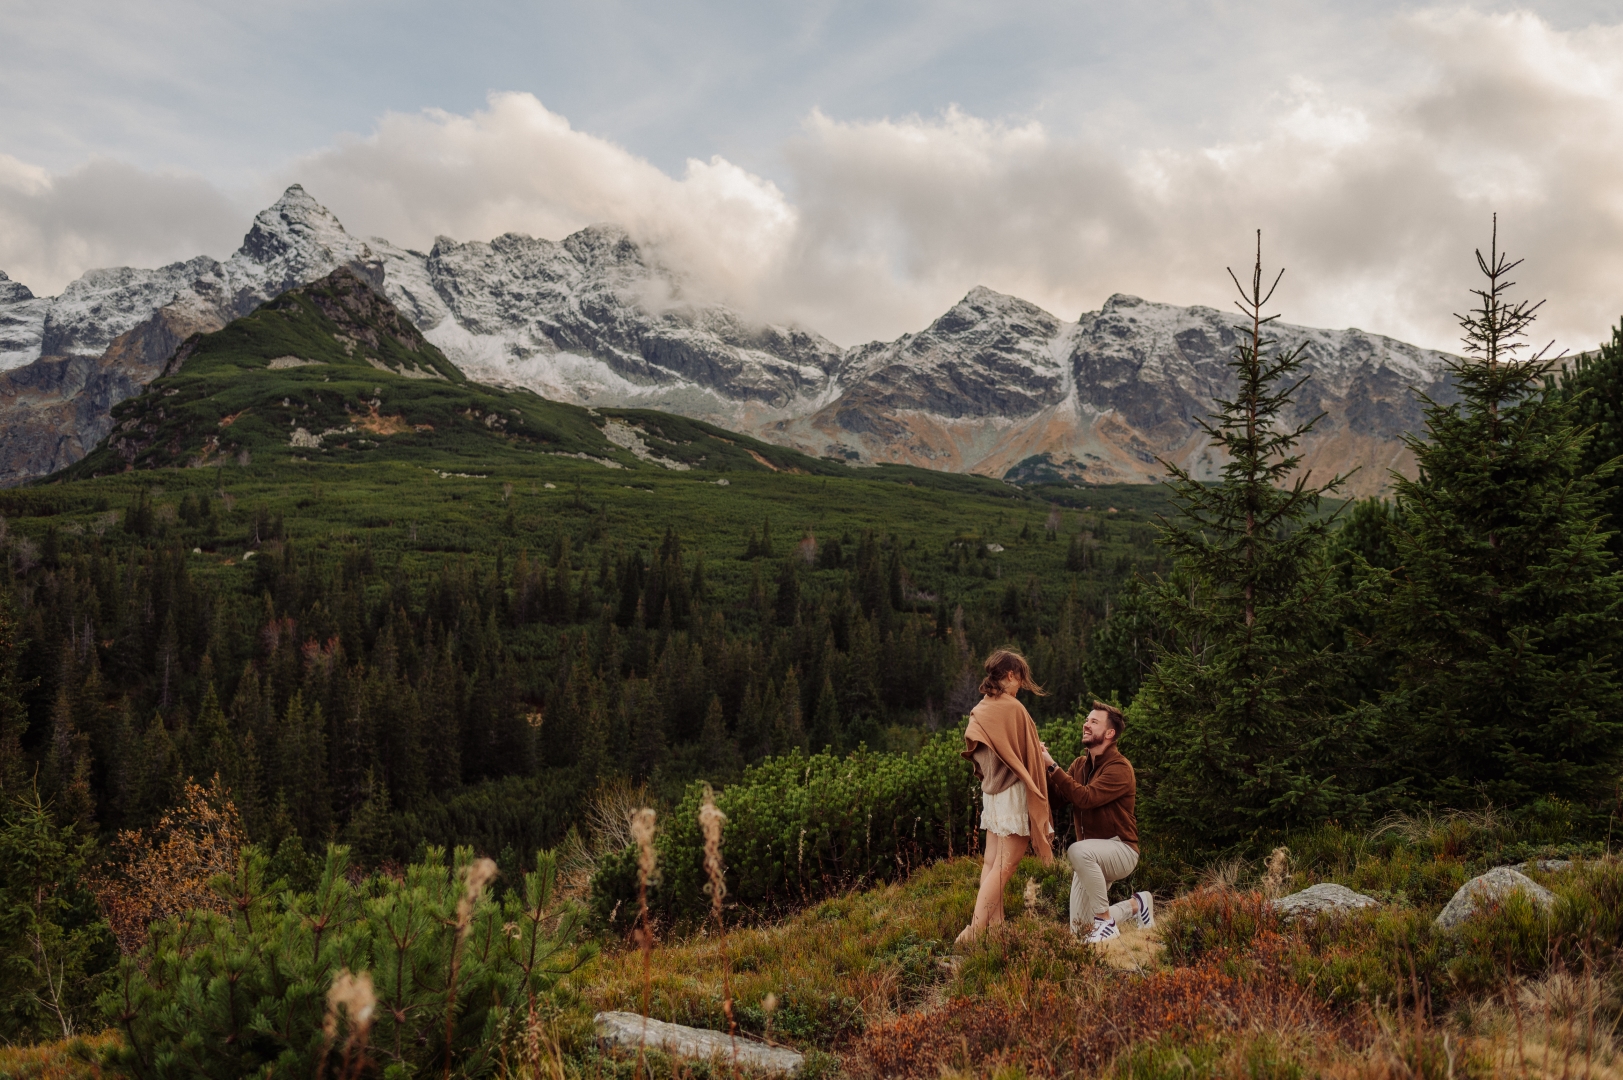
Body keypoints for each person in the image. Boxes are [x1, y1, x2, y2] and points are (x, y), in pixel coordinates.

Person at [954, 648, 1056, 947]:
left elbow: (988, 751)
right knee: (1006, 865)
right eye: (1020, 678)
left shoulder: (982, 707)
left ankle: (996, 928)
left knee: (991, 863)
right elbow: (1021, 755)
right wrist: (1034, 753)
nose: (1021, 685)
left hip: (992, 794)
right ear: (1011, 675)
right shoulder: (1012, 708)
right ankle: (974, 931)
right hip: (1012, 793)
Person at [1046, 701, 1152, 942]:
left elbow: (1086, 798)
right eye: (1087, 720)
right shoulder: (1079, 765)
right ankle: (1137, 905)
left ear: (1110, 733)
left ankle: (1105, 920)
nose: (1086, 725)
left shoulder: (1120, 768)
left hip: (1121, 849)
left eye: (1094, 722)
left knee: (1077, 850)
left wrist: (1052, 766)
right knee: (1081, 932)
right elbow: (1057, 799)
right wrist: (1040, 767)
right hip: (1090, 856)